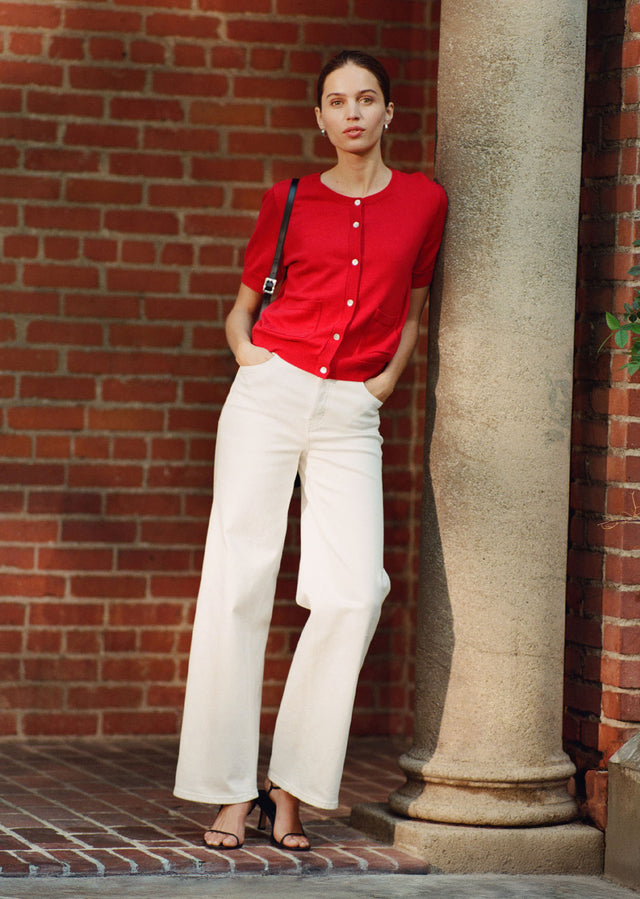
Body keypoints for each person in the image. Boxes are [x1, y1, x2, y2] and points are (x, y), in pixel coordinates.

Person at [173, 49, 447, 852]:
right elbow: (241, 307)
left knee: (356, 589)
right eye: (337, 101)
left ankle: (288, 785)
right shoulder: (288, 197)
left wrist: (385, 382)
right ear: (320, 118)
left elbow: (414, 309)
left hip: (351, 409)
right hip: (270, 389)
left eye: (367, 99)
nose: (353, 113)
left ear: (389, 113)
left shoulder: (424, 202)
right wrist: (248, 356)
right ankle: (228, 791)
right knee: (238, 577)